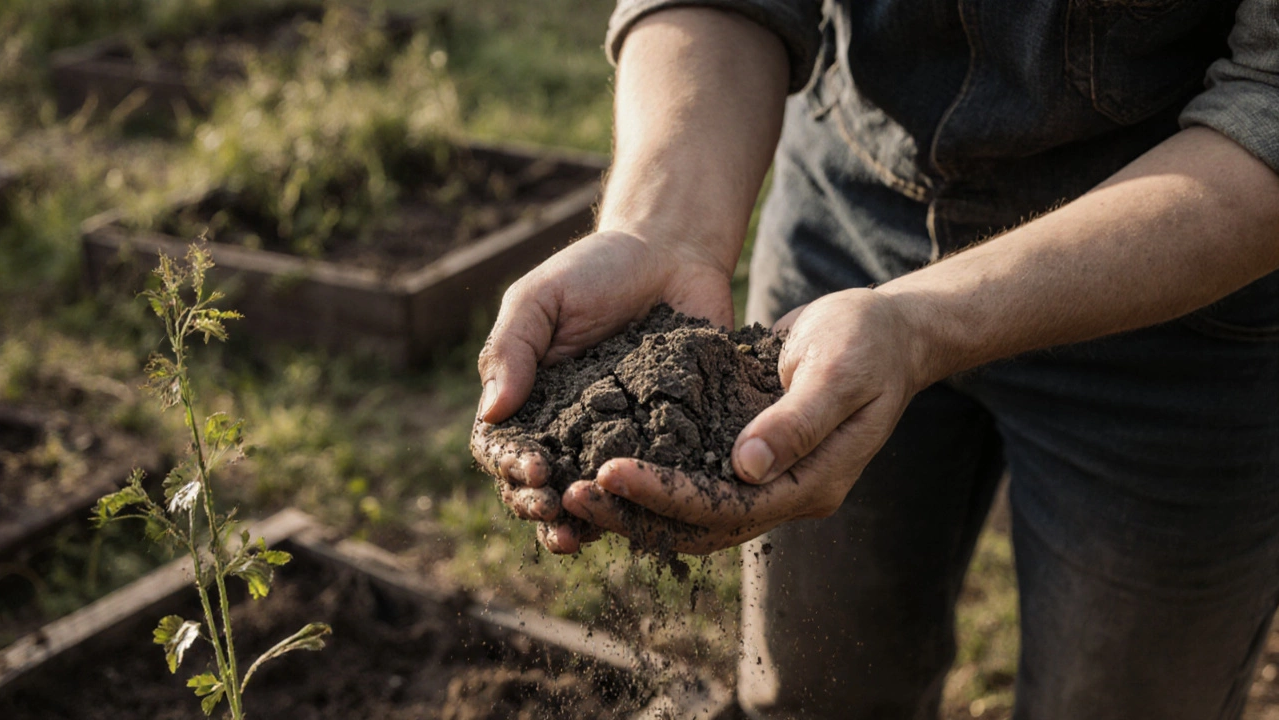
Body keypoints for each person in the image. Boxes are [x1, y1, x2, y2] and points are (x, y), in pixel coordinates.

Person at [470, 1, 1279, 717]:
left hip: (1182, 292)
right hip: (846, 239)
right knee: (818, 684)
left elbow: (1266, 105)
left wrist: (920, 324)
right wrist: (660, 231)